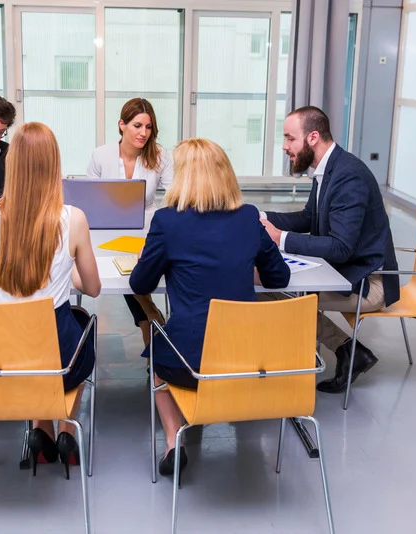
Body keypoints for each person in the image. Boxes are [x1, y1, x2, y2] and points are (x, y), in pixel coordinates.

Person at [129, 138, 291, 477]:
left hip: (189, 361)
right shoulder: (248, 218)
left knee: (157, 361)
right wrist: (242, 267)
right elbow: (279, 277)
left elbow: (140, 285)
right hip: (247, 358)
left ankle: (175, 441)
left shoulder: (167, 221)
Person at [0, 122, 101, 477]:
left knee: (33, 338)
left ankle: (40, 429)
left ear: (12, 163)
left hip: (0, 357)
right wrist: (66, 270)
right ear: (55, 167)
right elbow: (93, 289)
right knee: (78, 324)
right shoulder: (72, 219)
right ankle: (65, 427)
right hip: (56, 356)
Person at [260, 105, 400, 394]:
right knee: (268, 283)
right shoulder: (328, 168)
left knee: (267, 288)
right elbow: (309, 218)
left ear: (312, 137)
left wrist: (280, 238)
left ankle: (345, 350)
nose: (285, 147)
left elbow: (340, 248)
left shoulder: (348, 176)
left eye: (289, 138)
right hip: (347, 270)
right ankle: (347, 350)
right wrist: (262, 217)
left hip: (369, 282)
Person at [86, 97, 174, 350]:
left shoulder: (160, 155)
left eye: (148, 127)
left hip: (148, 225)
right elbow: (90, 198)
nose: (143, 133)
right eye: (137, 126)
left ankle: (148, 322)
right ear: (121, 125)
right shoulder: (100, 155)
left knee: (134, 260)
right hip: (108, 226)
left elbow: (175, 194)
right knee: (124, 260)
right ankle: (150, 314)